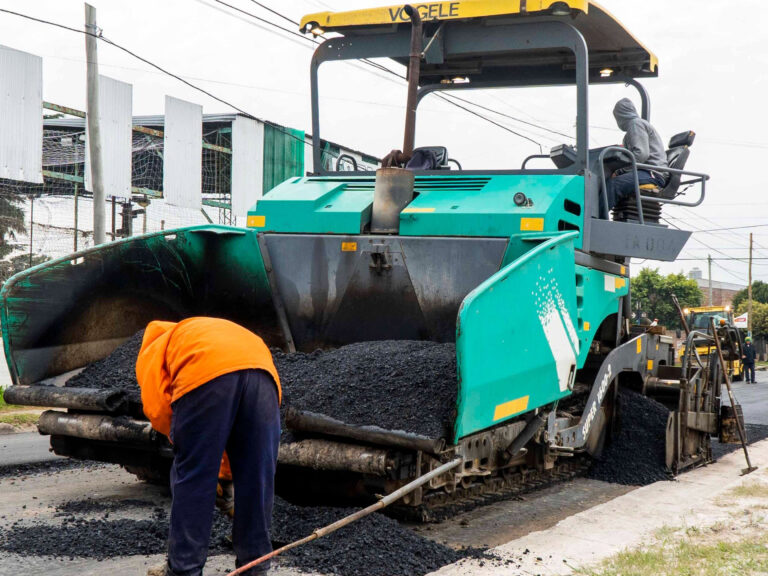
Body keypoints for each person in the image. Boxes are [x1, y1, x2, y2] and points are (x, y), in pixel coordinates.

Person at [138, 317, 281, 576]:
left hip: (206, 373)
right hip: (264, 374)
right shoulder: (202, 332)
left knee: (194, 477)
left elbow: (157, 408)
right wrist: (226, 473)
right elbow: (235, 425)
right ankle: (255, 568)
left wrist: (186, 443)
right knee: (257, 477)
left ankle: (184, 570)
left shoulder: (155, 350)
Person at [605, 98, 669, 211]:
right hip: (646, 171)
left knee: (614, 184)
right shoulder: (632, 129)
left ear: (622, 114)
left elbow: (641, 155)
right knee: (609, 181)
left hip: (651, 173)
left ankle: (595, 218)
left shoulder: (636, 124)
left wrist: (620, 171)